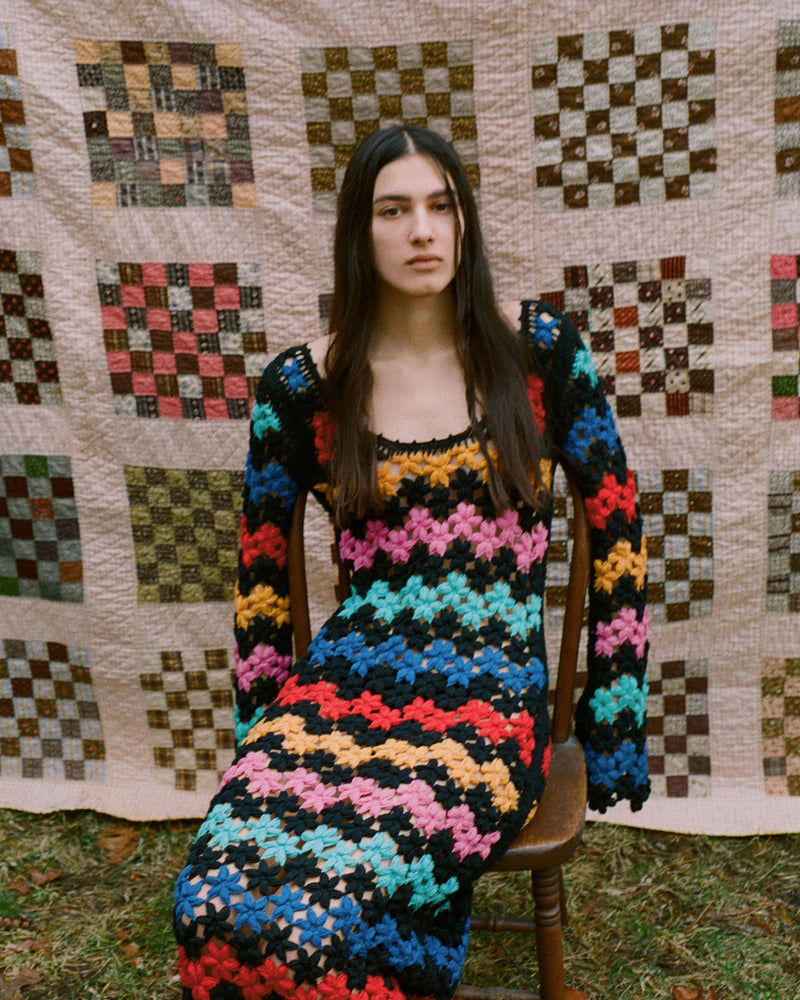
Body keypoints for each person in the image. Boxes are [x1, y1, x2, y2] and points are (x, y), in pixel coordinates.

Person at [173, 124, 649, 1000]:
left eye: (441, 206)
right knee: (211, 906)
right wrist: (259, 746)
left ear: (464, 225)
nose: (422, 231)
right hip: (341, 687)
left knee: (333, 924)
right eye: (394, 210)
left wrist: (611, 713)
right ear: (359, 232)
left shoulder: (537, 352)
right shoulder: (303, 389)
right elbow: (262, 583)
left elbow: (614, 520)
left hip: (488, 695)